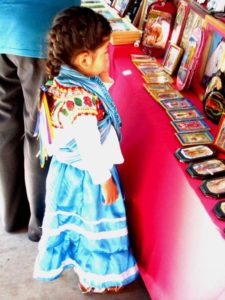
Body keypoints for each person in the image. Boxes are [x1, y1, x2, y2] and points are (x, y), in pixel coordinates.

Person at [33, 6, 139, 293]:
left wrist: (101, 77)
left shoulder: (68, 81)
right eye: (105, 52)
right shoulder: (82, 106)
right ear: (83, 58)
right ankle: (98, 276)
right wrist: (104, 180)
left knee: (79, 226)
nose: (109, 57)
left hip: (67, 173)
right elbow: (90, 147)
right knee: (96, 228)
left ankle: (85, 272)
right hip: (89, 178)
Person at [0, 0, 81, 242]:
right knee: (40, 134)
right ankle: (41, 224)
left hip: (4, 27)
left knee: (6, 128)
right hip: (42, 32)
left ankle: (13, 217)